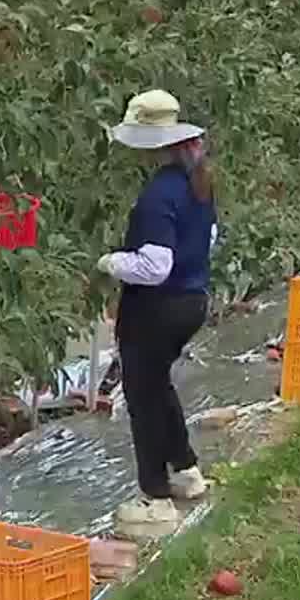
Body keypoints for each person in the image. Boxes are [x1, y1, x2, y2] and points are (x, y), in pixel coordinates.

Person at [94, 90, 218, 535]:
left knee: (142, 400)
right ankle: (186, 471)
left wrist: (110, 262)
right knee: (157, 385)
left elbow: (154, 266)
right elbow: (208, 239)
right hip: (192, 301)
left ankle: (156, 500)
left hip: (156, 310)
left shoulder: (157, 195)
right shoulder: (196, 181)